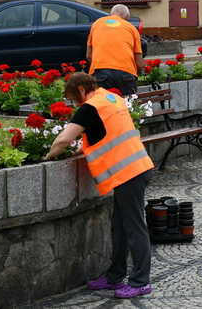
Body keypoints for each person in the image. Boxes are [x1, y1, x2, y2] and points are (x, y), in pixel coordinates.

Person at [45, 72, 154, 298]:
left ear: (82, 90)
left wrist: (47, 157)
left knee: (134, 228)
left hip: (128, 173)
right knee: (120, 227)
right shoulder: (110, 98)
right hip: (136, 167)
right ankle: (115, 276)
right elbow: (105, 132)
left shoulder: (89, 107)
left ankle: (140, 281)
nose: (76, 103)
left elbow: (64, 139)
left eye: (74, 98)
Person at [87, 4, 145, 96]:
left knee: (101, 105)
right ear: (126, 17)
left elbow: (89, 56)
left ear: (111, 14)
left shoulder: (96, 24)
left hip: (100, 72)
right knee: (128, 106)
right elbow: (139, 62)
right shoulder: (131, 28)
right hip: (126, 73)